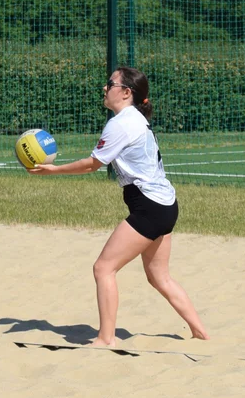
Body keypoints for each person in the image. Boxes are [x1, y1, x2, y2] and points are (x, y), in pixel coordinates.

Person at [28, 66, 210, 348]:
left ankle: (105, 339)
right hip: (166, 205)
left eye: (109, 84)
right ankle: (201, 333)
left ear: (126, 93)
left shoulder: (122, 123)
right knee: (159, 277)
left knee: (103, 268)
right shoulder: (134, 118)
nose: (104, 88)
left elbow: (92, 165)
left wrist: (53, 170)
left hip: (149, 207)